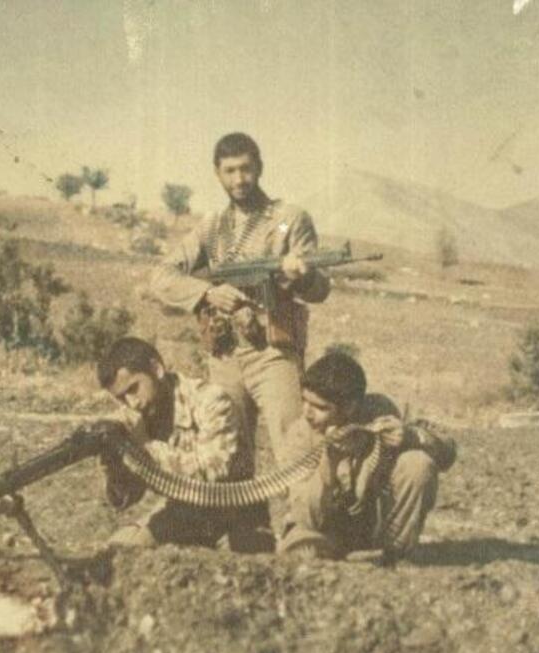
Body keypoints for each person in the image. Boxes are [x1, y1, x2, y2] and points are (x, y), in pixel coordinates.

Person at [150, 132, 330, 468]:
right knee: (228, 456)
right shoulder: (212, 226)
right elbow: (161, 276)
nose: (239, 179)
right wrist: (206, 293)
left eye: (246, 169)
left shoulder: (289, 219)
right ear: (217, 173)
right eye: (229, 171)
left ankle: (304, 506)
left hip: (273, 351)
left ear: (259, 168)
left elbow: (320, 290)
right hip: (225, 353)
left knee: (296, 451)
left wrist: (302, 276)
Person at [97, 337, 273, 553]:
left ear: (156, 369)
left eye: (134, 388)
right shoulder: (136, 416)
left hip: (234, 507)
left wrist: (146, 447)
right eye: (122, 398)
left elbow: (211, 472)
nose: (132, 403)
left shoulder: (210, 399)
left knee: (245, 562)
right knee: (120, 550)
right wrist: (115, 465)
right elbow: (127, 498)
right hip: (183, 510)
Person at [278, 352, 457, 562]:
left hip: (377, 527)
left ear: (350, 406)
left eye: (320, 407)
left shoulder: (379, 410)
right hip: (326, 531)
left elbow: (447, 454)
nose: (307, 412)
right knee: (299, 551)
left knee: (417, 464)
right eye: (304, 400)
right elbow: (306, 517)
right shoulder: (300, 434)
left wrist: (411, 437)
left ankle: (397, 556)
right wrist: (329, 461)